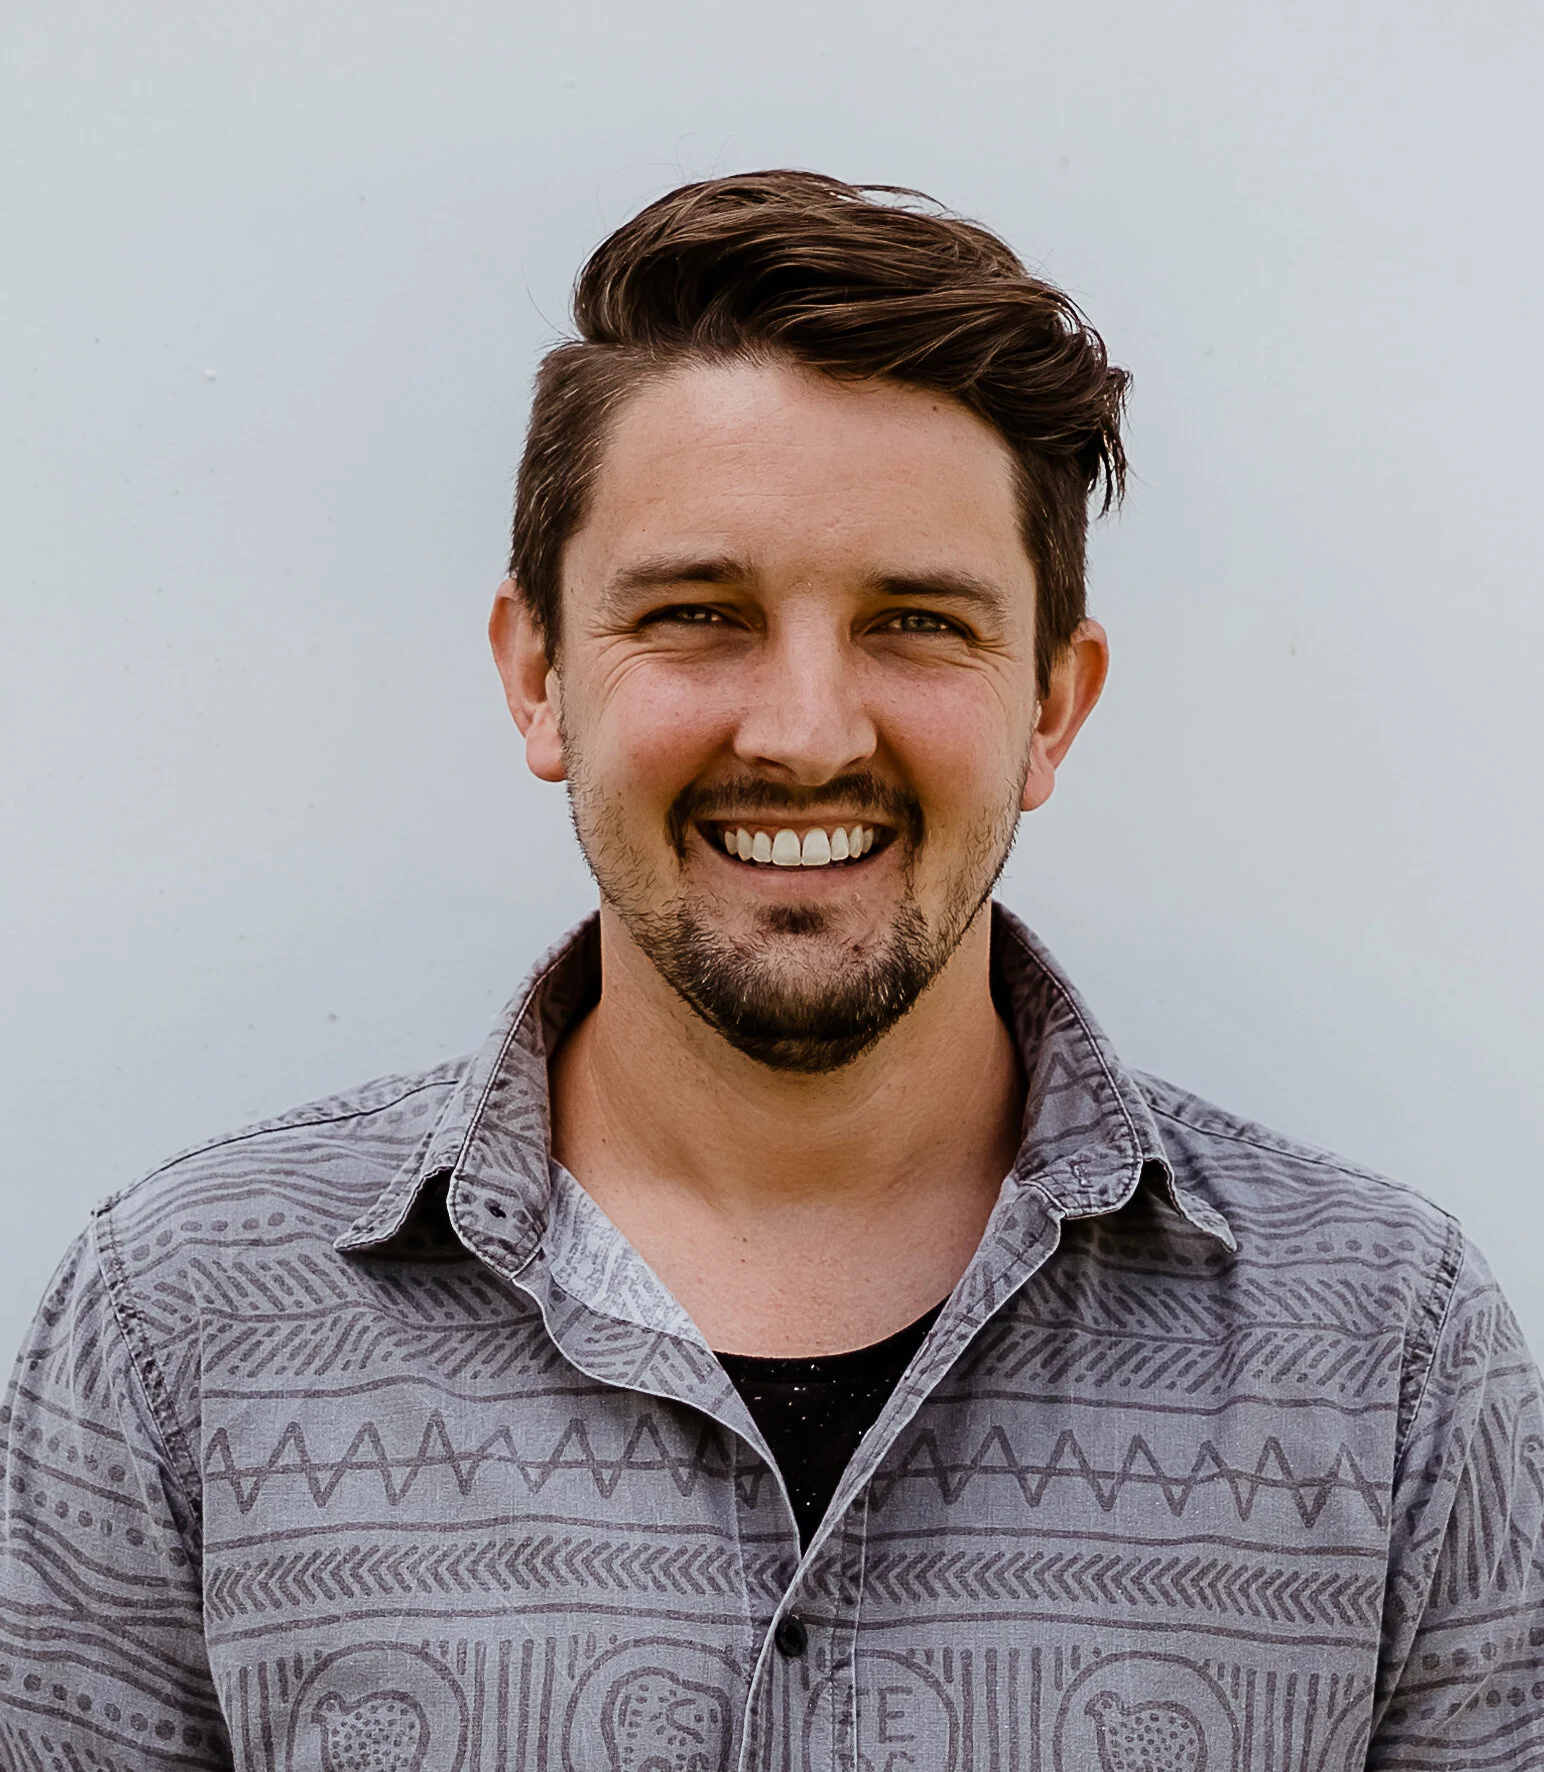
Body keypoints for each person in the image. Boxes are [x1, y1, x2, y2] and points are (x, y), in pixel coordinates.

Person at [2, 170, 1540, 1772]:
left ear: (1051, 707)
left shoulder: (1391, 1354)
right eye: (698, 612)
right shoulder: (176, 1328)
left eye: (917, 622)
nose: (806, 734)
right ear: (538, 677)